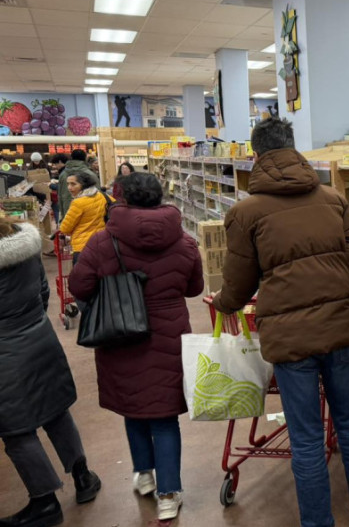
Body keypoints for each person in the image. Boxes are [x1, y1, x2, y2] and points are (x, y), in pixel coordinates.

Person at [211, 118, 349, 527]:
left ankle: (318, 522)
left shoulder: (245, 212)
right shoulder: (332, 198)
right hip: (339, 328)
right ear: (293, 147)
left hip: (290, 341)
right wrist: (333, 282)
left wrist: (224, 303)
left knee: (306, 438)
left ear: (255, 156)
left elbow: (239, 282)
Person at [68, 173, 203, 522]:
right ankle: (169, 494)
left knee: (134, 407)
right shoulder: (185, 241)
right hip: (169, 335)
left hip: (120, 335)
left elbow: (79, 287)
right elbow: (194, 288)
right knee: (164, 417)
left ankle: (144, 474)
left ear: (122, 198)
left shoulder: (102, 241)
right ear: (159, 198)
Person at [0, 217, 101, 527]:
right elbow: (43, 293)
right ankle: (83, 477)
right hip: (40, 339)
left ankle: (44, 502)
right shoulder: (24, 241)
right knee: (55, 412)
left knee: (17, 430)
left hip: (6, 354)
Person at [59, 171, 111, 265]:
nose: (69, 187)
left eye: (73, 184)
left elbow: (65, 228)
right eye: (68, 184)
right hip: (103, 243)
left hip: (82, 247)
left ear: (84, 185)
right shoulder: (102, 196)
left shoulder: (78, 203)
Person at [56, 150, 96, 219]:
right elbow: (97, 194)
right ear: (85, 158)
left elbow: (60, 196)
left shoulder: (63, 174)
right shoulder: (90, 174)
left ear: (71, 158)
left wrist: (62, 216)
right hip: (89, 215)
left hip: (68, 213)